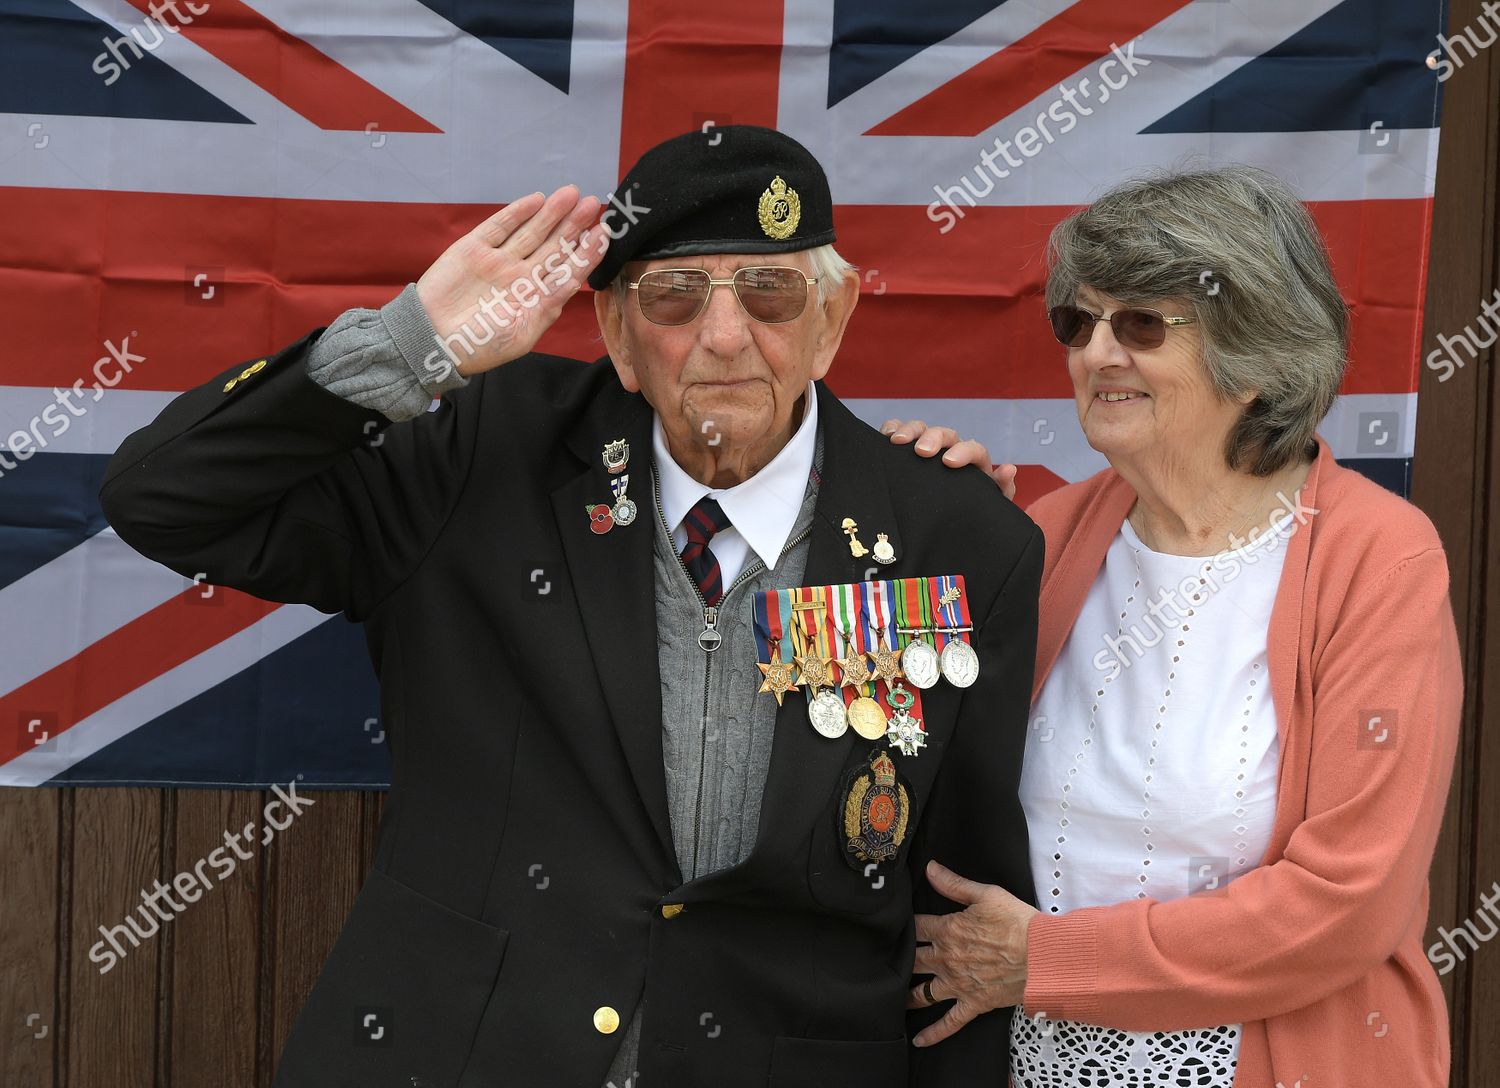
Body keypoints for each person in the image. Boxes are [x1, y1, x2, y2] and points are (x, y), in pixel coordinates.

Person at [98, 126, 1043, 1088]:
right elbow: (164, 500)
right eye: (674, 295)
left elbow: (957, 921)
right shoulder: (479, 455)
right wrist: (412, 342)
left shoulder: (956, 540)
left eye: (771, 292)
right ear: (616, 335)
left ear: (832, 320)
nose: (724, 336)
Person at [882, 165, 1463, 1087]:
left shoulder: (1378, 557)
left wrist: (1048, 962)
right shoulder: (1037, 537)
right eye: (1079, 322)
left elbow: (1350, 903)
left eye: (1142, 325)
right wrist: (922, 536)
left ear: (1256, 355)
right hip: (1032, 1062)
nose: (1096, 353)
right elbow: (885, 761)